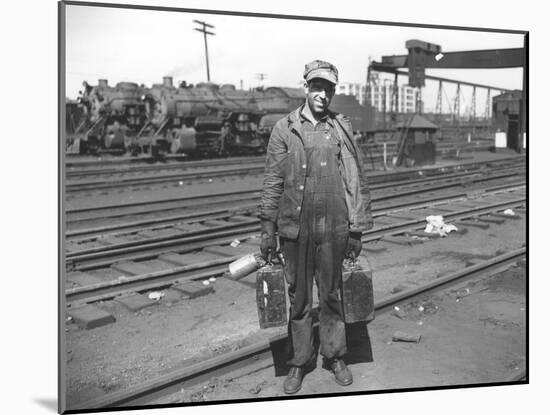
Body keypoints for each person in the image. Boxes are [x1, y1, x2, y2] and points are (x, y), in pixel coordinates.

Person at [259, 60, 373, 394]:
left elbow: (354, 179)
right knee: (299, 299)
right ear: (306, 87)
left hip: (334, 225)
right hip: (296, 226)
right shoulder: (285, 128)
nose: (323, 95)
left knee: (332, 294)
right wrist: (268, 227)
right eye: (317, 87)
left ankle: (335, 355)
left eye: (329, 89)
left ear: (334, 92)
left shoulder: (341, 127)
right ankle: (299, 360)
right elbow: (273, 181)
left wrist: (356, 228)